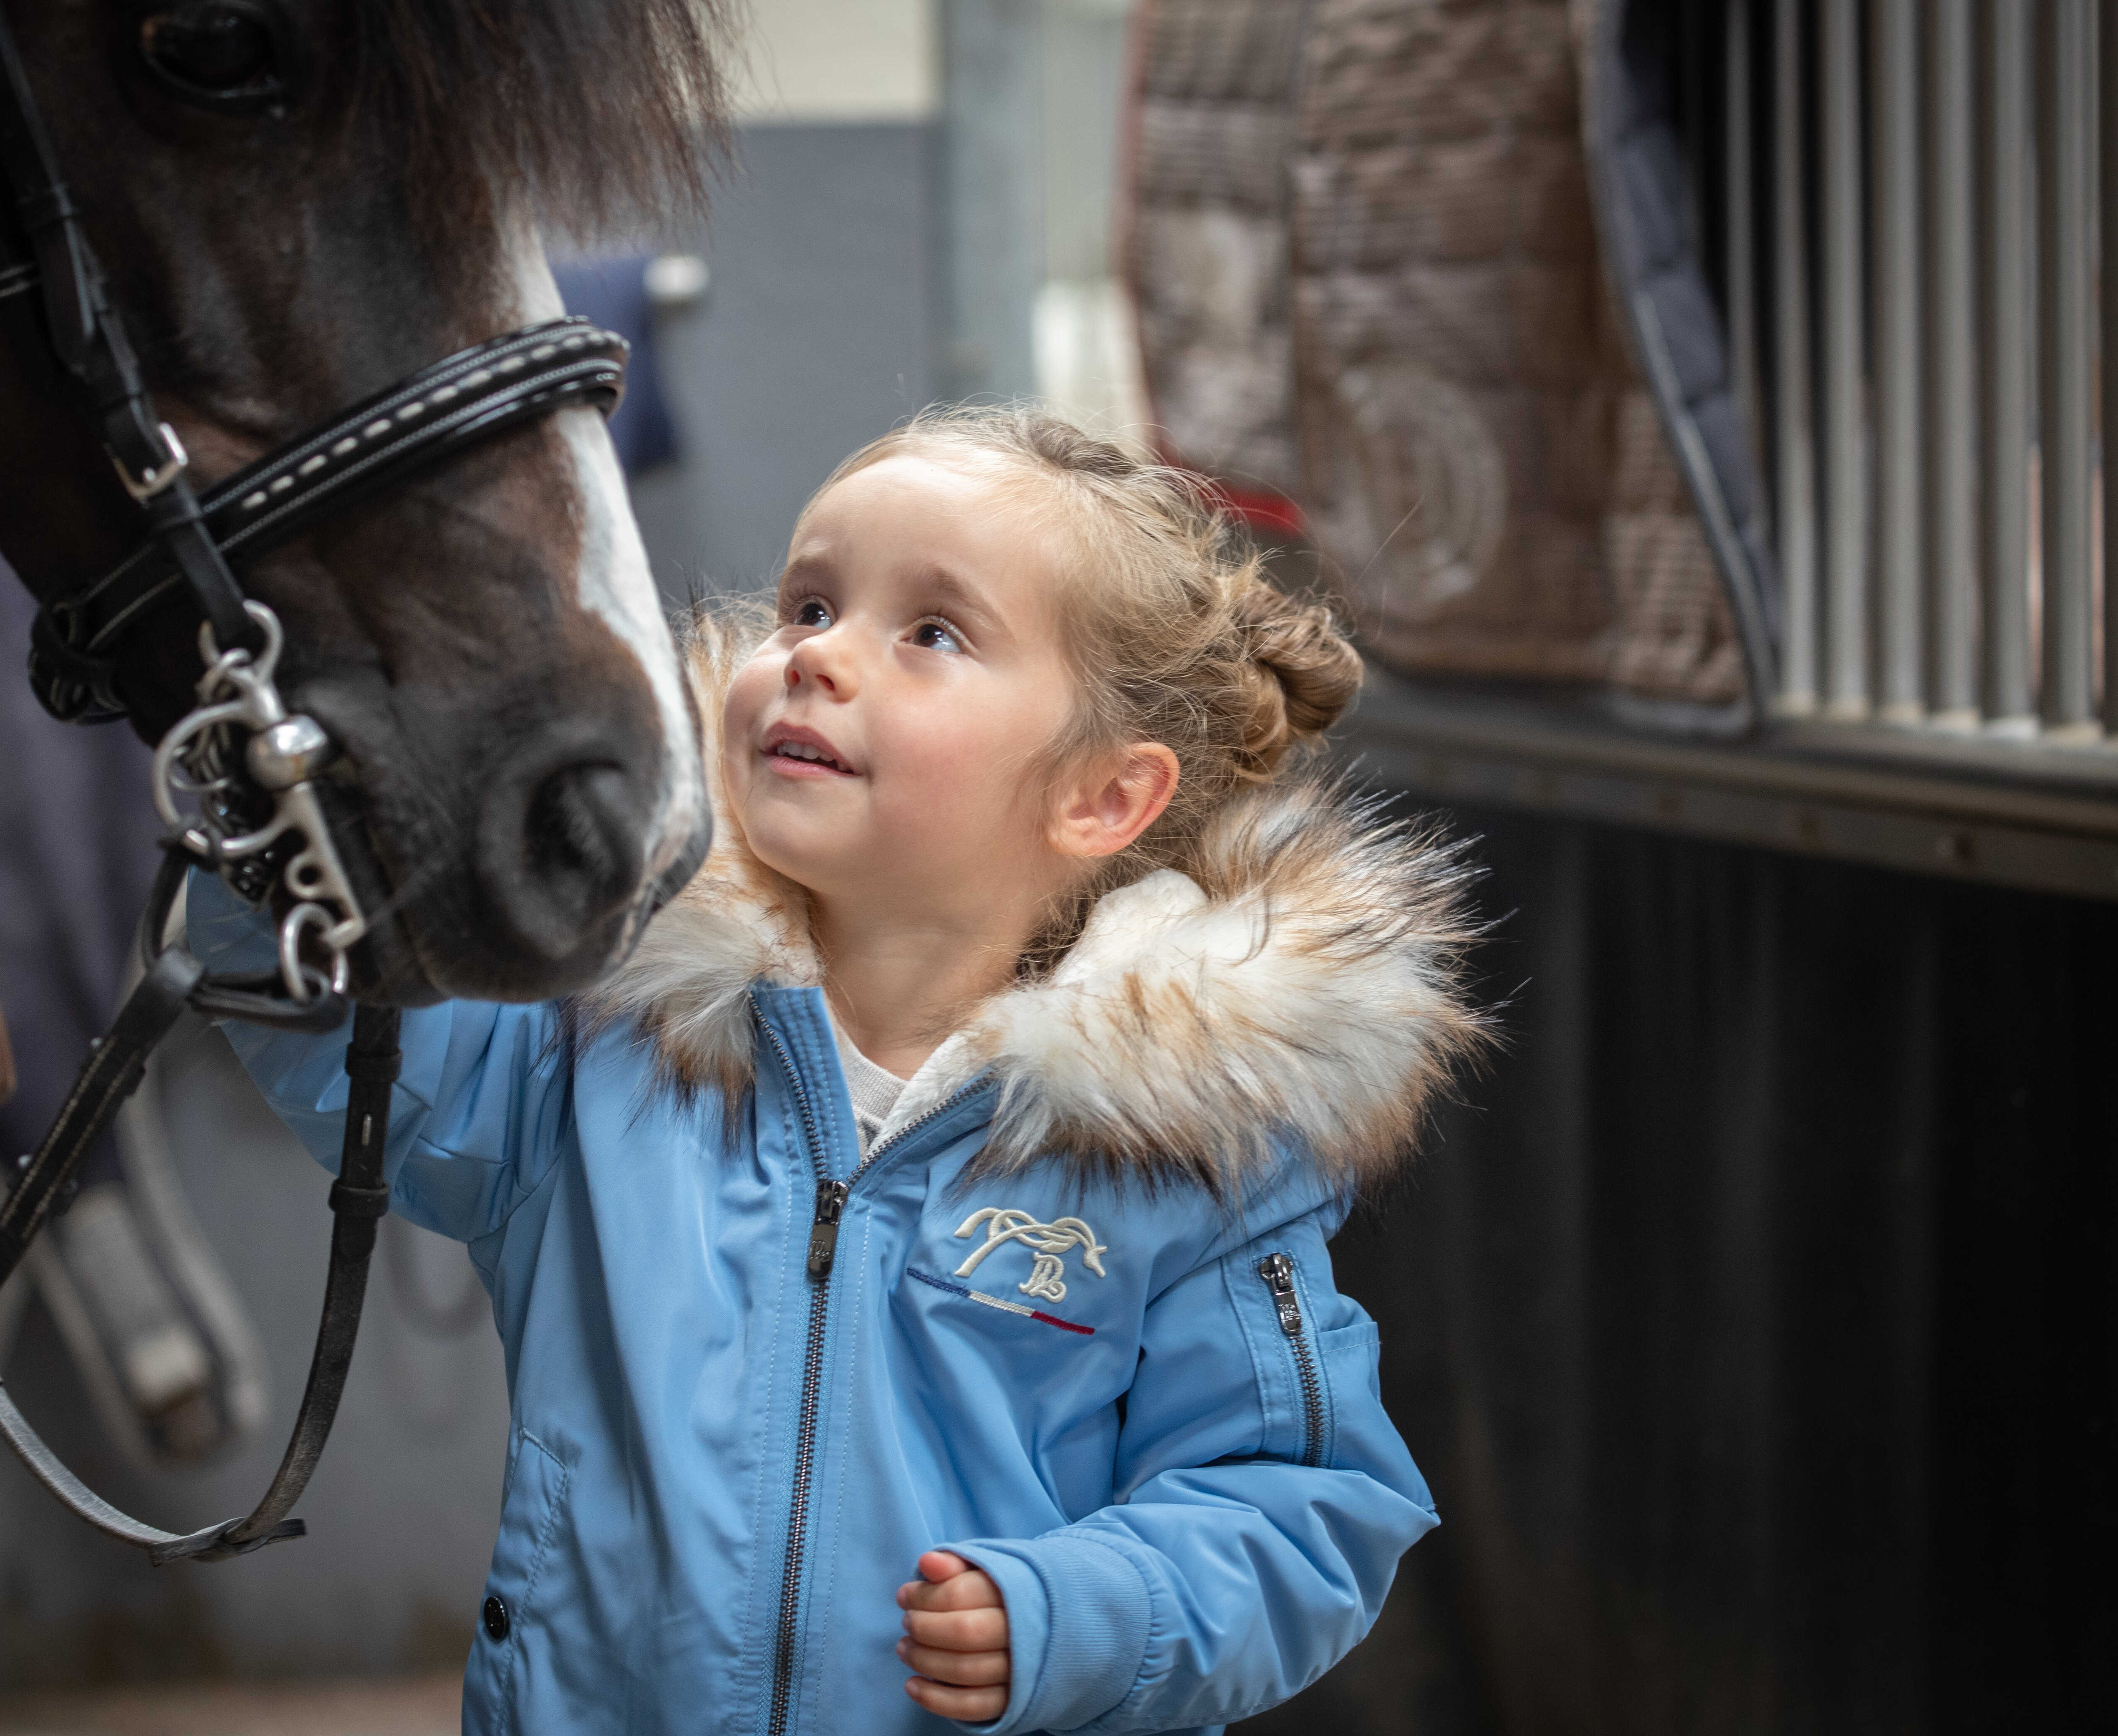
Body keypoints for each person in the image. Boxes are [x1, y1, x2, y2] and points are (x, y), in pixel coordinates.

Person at [189, 407, 1485, 1734]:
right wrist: (262, 816)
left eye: (932, 633)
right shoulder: (605, 1030)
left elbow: (1299, 1505)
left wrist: (1081, 1618)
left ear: (1102, 796)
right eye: (809, 604)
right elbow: (353, 1025)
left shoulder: (1184, 1144)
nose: (818, 659)